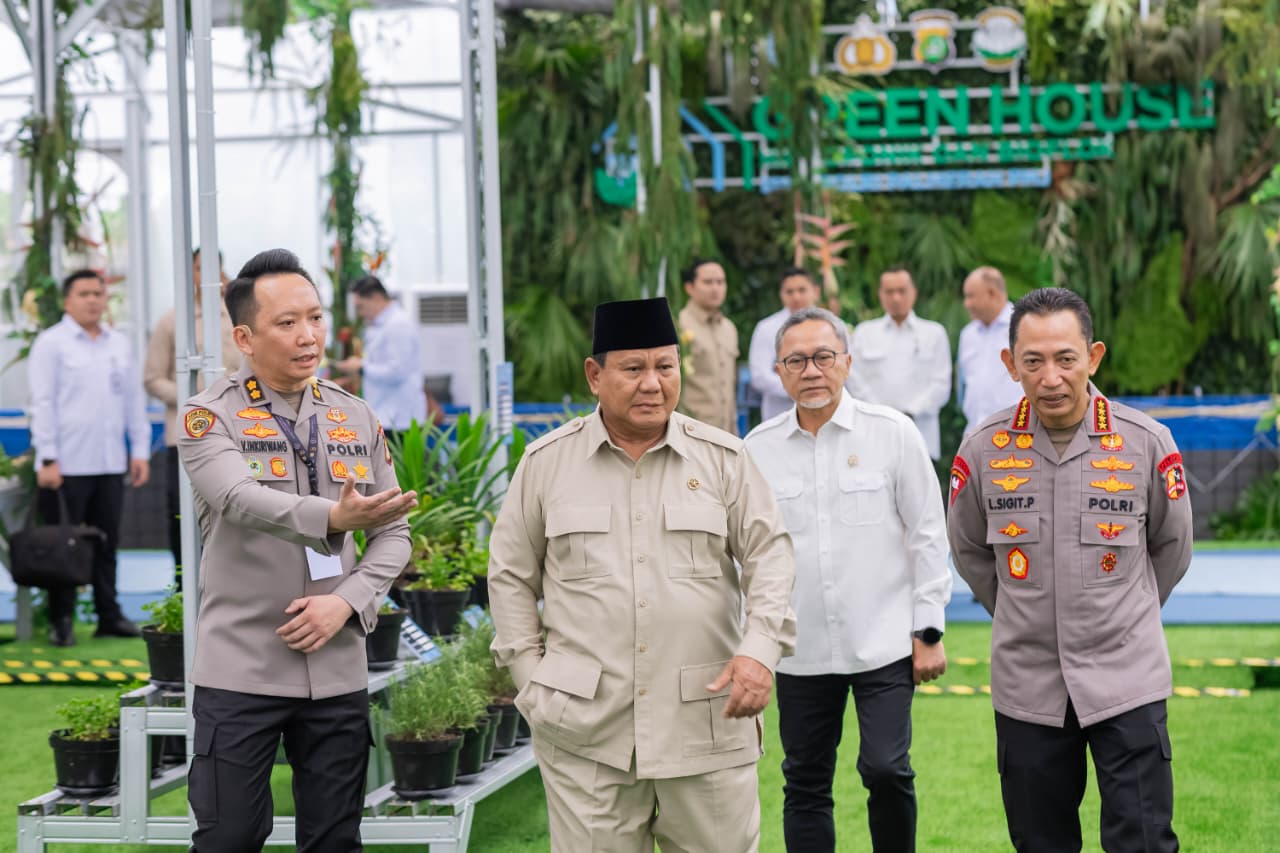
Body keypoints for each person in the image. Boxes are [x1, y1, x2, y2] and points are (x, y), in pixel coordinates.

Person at [488, 296, 797, 852]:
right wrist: (531, 680)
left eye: (665, 367)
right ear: (595, 375)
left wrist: (759, 651)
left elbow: (769, 556)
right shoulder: (546, 464)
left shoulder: (723, 459)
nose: (652, 384)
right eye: (633, 368)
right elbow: (510, 576)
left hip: (705, 723)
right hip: (585, 732)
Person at [178, 249, 415, 852]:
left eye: (315, 317)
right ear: (244, 337)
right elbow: (237, 498)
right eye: (286, 322)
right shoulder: (208, 417)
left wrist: (348, 602)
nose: (308, 336)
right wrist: (333, 519)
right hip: (242, 667)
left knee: (335, 839)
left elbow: (393, 532)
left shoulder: (354, 414)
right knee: (229, 836)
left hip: (336, 666)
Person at [947, 287, 1193, 853]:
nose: (1051, 377)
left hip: (1126, 677)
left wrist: (1124, 611)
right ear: (1010, 364)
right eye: (1032, 361)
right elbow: (970, 551)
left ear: (1093, 357)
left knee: (1144, 842)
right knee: (1041, 843)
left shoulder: (1145, 443)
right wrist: (1024, 610)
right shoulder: (983, 449)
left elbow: (1172, 546)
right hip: (1028, 685)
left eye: (1066, 358)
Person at [745, 306, 951, 853]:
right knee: (805, 781)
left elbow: (928, 534)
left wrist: (929, 630)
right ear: (779, 372)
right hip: (800, 648)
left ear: (847, 362)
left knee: (887, 768)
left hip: (884, 642)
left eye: (823, 356)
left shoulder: (893, 433)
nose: (811, 370)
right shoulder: (757, 449)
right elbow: (747, 553)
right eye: (796, 361)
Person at [28, 269, 151, 646]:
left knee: (107, 542)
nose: (93, 300)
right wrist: (47, 457)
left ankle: (108, 615)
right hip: (65, 465)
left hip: (110, 461)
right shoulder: (51, 343)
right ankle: (61, 620)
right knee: (62, 545)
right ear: (67, 302)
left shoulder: (119, 344)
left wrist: (140, 450)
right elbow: (42, 402)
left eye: (98, 293)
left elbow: (134, 401)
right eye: (84, 294)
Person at [144, 248, 240, 578]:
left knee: (235, 507)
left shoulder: (239, 317)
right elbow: (152, 378)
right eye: (200, 269)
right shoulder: (172, 321)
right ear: (190, 274)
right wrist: (195, 401)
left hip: (237, 433)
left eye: (214, 268)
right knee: (182, 511)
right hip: (186, 433)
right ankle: (185, 585)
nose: (208, 276)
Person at [848, 267, 953, 459]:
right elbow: (854, 380)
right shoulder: (864, 333)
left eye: (902, 291)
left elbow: (941, 385)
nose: (896, 298)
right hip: (873, 434)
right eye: (889, 292)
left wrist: (909, 413)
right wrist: (881, 413)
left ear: (914, 293)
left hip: (920, 435)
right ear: (880, 295)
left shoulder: (934, 333)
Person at [334, 275, 425, 441]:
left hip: (399, 420)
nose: (360, 313)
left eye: (360, 306)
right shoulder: (382, 325)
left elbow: (398, 372)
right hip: (387, 415)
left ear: (376, 298)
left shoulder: (397, 325)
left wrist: (361, 367)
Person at [748, 267, 822, 422]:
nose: (796, 297)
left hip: (824, 413)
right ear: (781, 295)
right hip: (780, 416)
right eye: (789, 292)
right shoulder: (767, 328)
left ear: (816, 291)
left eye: (802, 290)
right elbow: (759, 375)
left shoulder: (831, 326)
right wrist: (798, 388)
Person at [957, 266, 1022, 434]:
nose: (966, 304)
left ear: (992, 293)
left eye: (970, 296)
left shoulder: (1022, 327)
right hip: (974, 432)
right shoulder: (968, 334)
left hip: (1014, 432)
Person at [677, 259, 739, 433]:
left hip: (726, 431)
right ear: (690, 287)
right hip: (690, 430)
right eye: (708, 282)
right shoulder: (678, 325)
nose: (715, 288)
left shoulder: (729, 328)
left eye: (720, 282)